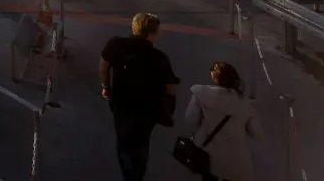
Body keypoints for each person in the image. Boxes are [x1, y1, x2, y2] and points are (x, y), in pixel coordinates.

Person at [100, 12, 180, 181]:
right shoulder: (159, 58)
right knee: (142, 141)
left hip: (121, 103)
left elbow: (103, 66)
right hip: (147, 109)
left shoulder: (115, 44)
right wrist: (168, 103)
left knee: (123, 138)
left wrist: (106, 87)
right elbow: (171, 86)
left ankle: (127, 169)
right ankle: (136, 173)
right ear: (152, 34)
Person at [182, 61, 256, 181]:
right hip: (236, 160)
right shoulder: (246, 105)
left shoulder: (201, 93)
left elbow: (190, 118)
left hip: (209, 157)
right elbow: (256, 132)